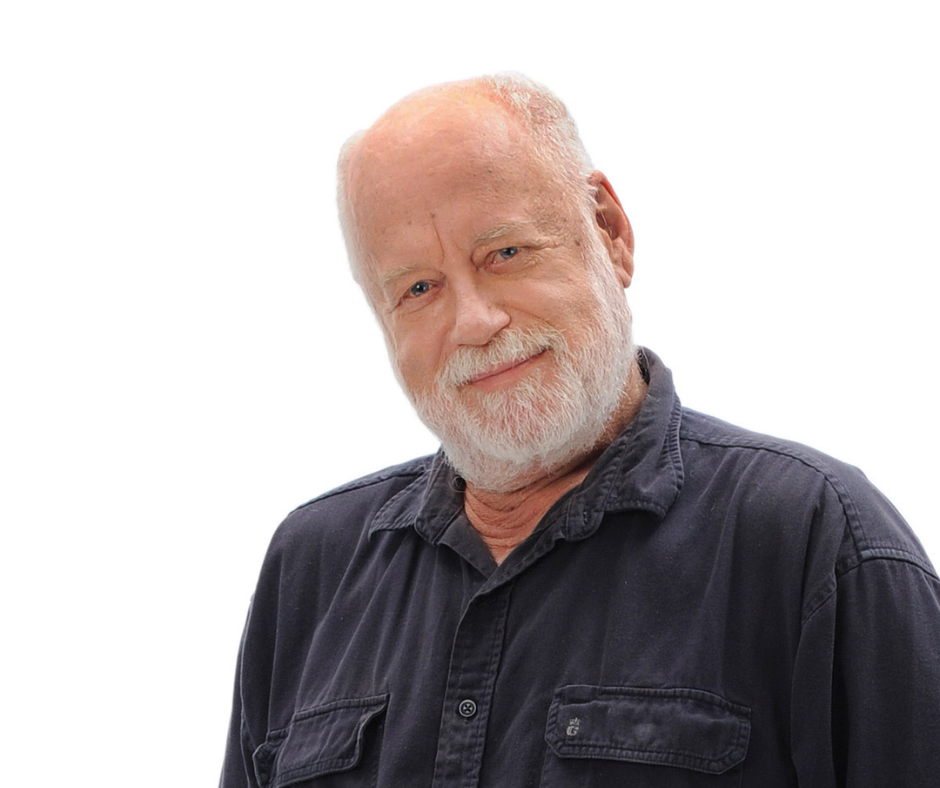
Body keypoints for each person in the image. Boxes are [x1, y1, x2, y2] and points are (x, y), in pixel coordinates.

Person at [220, 74, 940, 787]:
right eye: (418, 288)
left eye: (504, 253)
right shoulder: (310, 568)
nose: (474, 322)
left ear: (611, 232)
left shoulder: (815, 541)